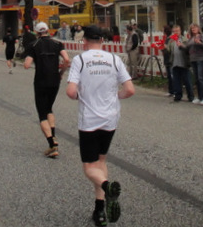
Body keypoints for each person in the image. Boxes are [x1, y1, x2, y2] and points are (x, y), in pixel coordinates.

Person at [66, 24, 134, 227]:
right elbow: (130, 89)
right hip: (110, 118)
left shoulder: (79, 60)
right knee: (101, 161)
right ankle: (100, 210)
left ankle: (107, 186)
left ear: (84, 41)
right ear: (102, 41)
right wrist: (116, 96)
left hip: (89, 120)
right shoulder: (114, 59)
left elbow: (71, 92)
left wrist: (81, 95)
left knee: (89, 167)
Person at [24, 22, 70, 158]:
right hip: (55, 80)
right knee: (49, 108)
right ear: (48, 31)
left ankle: (52, 144)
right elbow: (67, 59)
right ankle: (53, 137)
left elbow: (26, 65)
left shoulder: (33, 45)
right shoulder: (57, 44)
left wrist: (31, 61)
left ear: (37, 32)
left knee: (42, 113)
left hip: (41, 81)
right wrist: (61, 73)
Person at [185, 23, 203, 105]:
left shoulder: (202, 36)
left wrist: (199, 43)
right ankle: (200, 97)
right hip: (193, 59)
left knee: (201, 78)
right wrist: (182, 46)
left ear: (198, 28)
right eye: (192, 28)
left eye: (195, 28)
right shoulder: (190, 38)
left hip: (201, 59)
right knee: (197, 79)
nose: (193, 29)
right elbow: (187, 48)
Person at [167, 25, 193, 102]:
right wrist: (164, 49)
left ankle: (190, 96)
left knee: (187, 81)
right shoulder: (171, 41)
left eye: (177, 31)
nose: (175, 33)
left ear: (180, 31)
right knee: (176, 81)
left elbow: (188, 50)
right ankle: (178, 95)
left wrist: (181, 45)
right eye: (174, 31)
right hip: (175, 63)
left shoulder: (185, 39)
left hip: (183, 63)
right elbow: (169, 51)